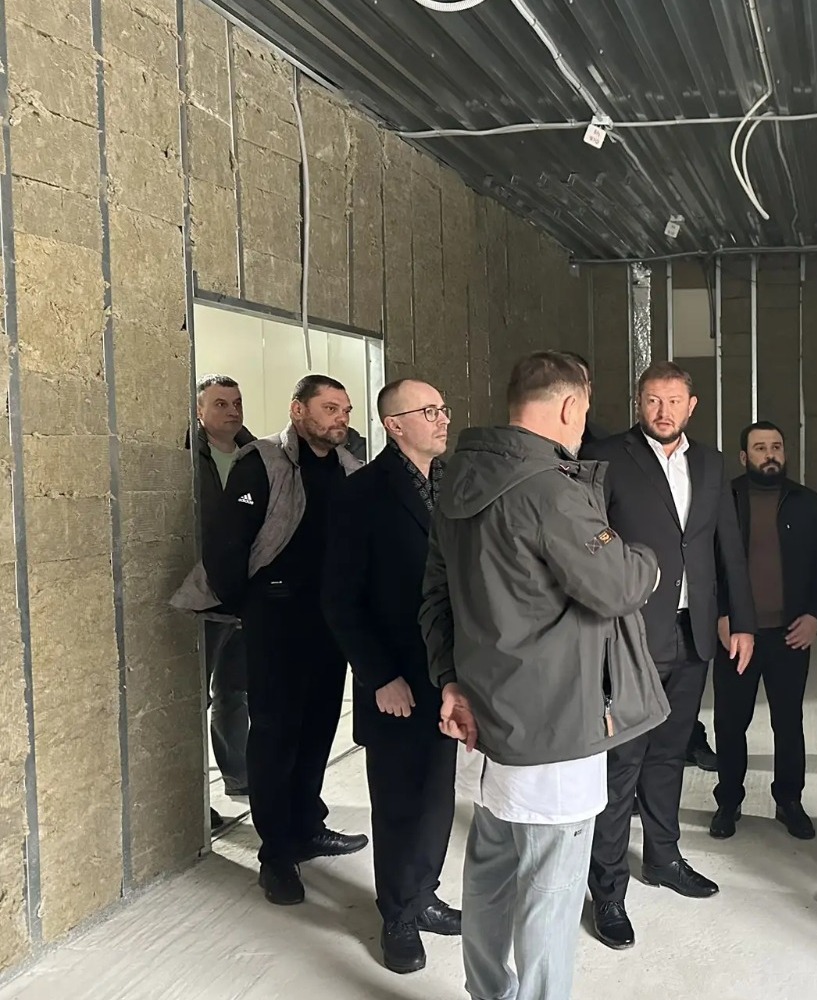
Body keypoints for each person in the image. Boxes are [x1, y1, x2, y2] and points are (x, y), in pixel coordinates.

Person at [420, 351, 668, 1000]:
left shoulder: (459, 479)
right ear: (568, 405)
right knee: (551, 893)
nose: (584, 421)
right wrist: (645, 559)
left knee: (492, 867)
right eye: (584, 409)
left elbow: (436, 598)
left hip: (488, 716)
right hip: (557, 723)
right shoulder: (550, 489)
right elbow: (617, 585)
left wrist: (449, 680)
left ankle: (488, 992)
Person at [580, 360, 757, 950]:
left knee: (669, 754)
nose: (663, 411)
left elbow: (726, 545)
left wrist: (741, 620)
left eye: (674, 401)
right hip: (630, 634)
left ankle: (662, 857)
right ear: (639, 402)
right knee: (622, 763)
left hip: (693, 632)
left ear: (691, 405)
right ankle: (608, 890)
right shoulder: (607, 457)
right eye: (653, 400)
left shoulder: (710, 463)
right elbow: (591, 544)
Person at [173, 374, 368, 905]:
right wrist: (250, 606)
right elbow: (225, 546)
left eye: (345, 410)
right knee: (276, 734)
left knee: (319, 727)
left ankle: (306, 825)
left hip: (329, 624)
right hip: (275, 622)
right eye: (329, 408)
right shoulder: (262, 461)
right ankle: (276, 854)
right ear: (298, 410)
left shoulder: (350, 470)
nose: (340, 418)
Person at [322, 379, 460, 974]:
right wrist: (379, 676)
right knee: (400, 799)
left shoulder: (453, 483)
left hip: (447, 673)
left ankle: (423, 892)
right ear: (394, 424)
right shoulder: (363, 492)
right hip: (396, 678)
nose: (443, 419)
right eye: (429, 411)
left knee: (437, 794)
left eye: (443, 408)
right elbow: (339, 599)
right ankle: (397, 915)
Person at [709, 420, 817, 841]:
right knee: (731, 723)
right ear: (744, 456)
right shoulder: (724, 500)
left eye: (777, 447)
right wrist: (721, 614)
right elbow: (706, 563)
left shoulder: (805, 502)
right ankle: (729, 801)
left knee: (788, 722)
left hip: (789, 635)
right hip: (737, 635)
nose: (770, 454)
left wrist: (816, 615)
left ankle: (789, 801)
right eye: (760, 447)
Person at [187, 375, 255, 822]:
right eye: (220, 404)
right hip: (204, 595)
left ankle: (240, 776)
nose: (232, 411)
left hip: (247, 595)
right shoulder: (187, 457)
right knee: (195, 697)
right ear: (199, 412)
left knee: (235, 690)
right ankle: (194, 804)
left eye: (236, 403)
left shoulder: (258, 456)